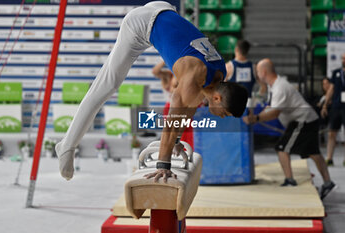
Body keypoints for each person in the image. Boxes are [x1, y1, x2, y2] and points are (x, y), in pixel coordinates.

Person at [55, 1, 248, 182]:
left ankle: (68, 144)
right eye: (224, 113)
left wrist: (177, 141)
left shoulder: (217, 72)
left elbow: (188, 110)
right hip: (141, 25)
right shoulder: (195, 76)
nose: (222, 117)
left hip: (164, 10)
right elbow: (172, 121)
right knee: (108, 84)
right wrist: (163, 164)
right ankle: (67, 145)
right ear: (217, 98)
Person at [243, 58, 336, 200]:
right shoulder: (273, 85)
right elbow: (270, 107)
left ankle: (290, 180)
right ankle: (328, 182)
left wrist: (255, 119)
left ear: (264, 72)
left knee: (282, 148)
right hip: (306, 119)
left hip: (302, 121)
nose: (256, 74)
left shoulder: (280, 87)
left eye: (257, 71)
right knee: (313, 152)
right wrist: (257, 115)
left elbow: (274, 113)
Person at [152, 60, 193, 148]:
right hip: (171, 108)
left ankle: (186, 150)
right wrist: (165, 60)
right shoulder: (169, 76)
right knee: (171, 132)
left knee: (187, 133)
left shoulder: (186, 76)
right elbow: (155, 71)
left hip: (185, 108)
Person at [225, 40, 267, 112]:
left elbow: (220, 88)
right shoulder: (254, 67)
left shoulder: (228, 67)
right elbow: (264, 87)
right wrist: (256, 99)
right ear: (247, 51)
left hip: (232, 105)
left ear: (236, 49)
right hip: (248, 105)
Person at [321, 53, 345, 167]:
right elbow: (331, 89)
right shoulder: (336, 73)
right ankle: (329, 158)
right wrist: (325, 104)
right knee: (332, 132)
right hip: (337, 106)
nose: (343, 60)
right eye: (343, 58)